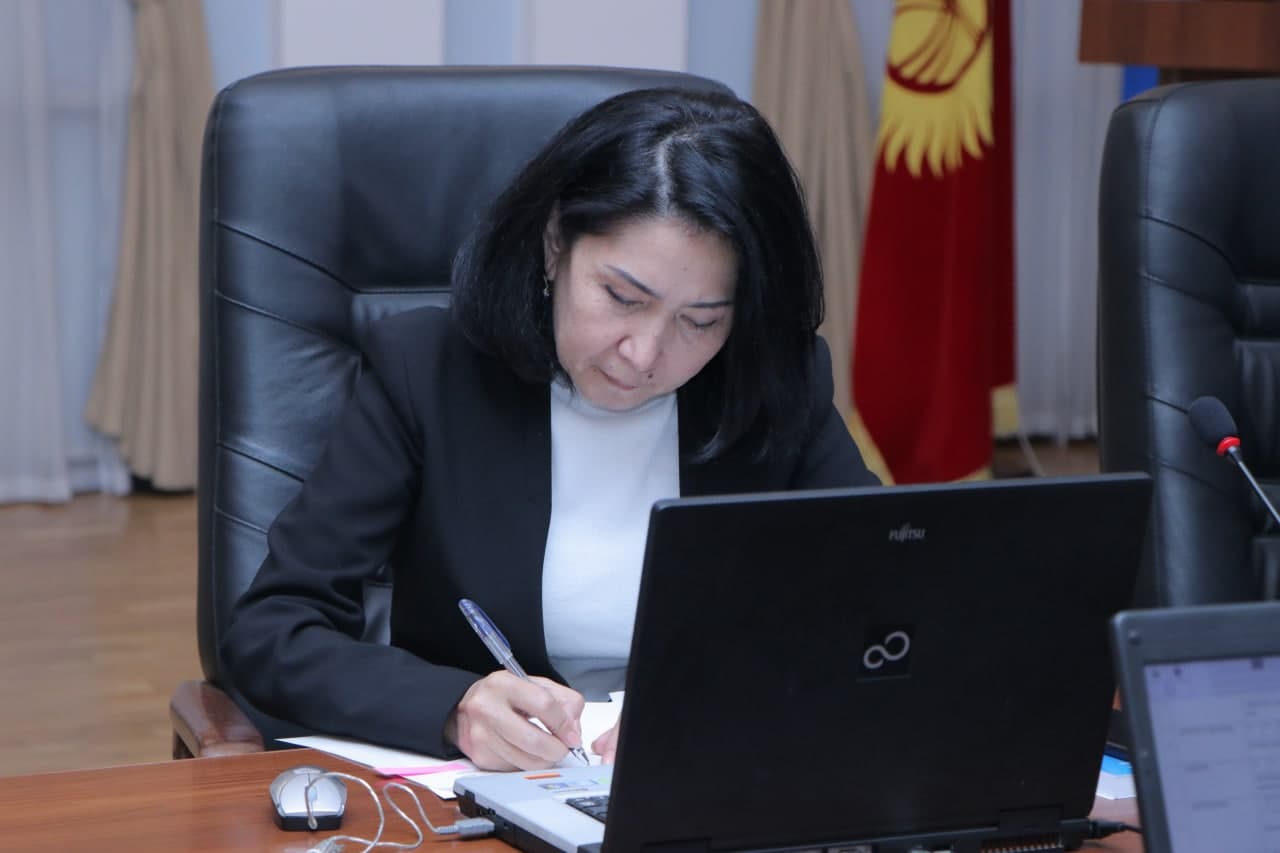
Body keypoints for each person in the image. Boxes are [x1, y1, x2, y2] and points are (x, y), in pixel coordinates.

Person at [221, 86, 878, 773]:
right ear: (555, 242)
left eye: (700, 320)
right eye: (622, 297)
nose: (645, 354)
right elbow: (272, 629)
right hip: (490, 791)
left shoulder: (771, 384)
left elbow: (884, 605)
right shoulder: (427, 372)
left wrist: (743, 698)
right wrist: (453, 706)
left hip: (711, 784)